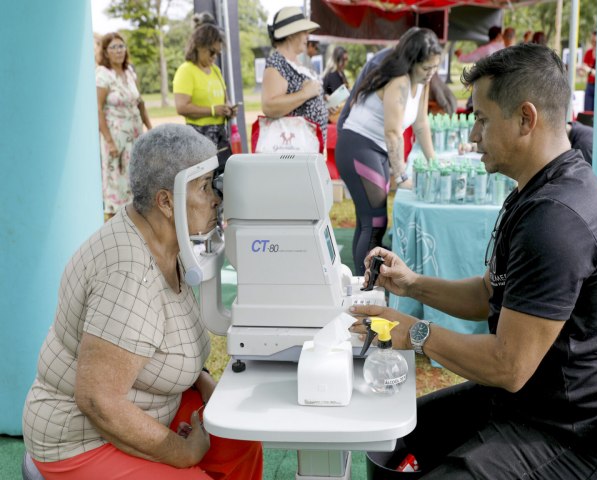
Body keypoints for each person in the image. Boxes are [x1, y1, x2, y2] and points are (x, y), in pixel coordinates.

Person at [351, 43, 597, 479]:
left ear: (526, 118)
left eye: (481, 120)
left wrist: (416, 332)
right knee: (390, 446)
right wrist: (412, 285)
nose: (472, 136)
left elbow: (509, 365)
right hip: (526, 404)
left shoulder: (558, 218)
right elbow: (490, 293)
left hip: (574, 434)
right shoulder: (538, 189)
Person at [22, 124, 263, 480]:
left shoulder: (166, 240)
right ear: (166, 202)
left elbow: (161, 343)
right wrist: (180, 452)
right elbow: (98, 401)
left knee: (239, 440)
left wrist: (207, 385)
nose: (215, 198)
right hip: (79, 440)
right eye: (203, 186)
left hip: (151, 407)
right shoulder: (128, 275)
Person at [335, 28, 441, 276]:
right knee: (374, 222)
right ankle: (365, 287)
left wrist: (434, 163)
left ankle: (362, 284)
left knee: (369, 221)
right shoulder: (400, 81)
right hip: (358, 146)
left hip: (375, 150)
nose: (431, 74)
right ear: (412, 62)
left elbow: (421, 125)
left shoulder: (421, 82)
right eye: (427, 68)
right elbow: (393, 133)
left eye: (435, 68)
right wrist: (402, 177)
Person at [96, 32, 152, 221]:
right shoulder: (103, 75)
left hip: (135, 137)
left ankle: (133, 226)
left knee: (134, 182)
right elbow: (98, 109)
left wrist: (150, 129)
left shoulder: (129, 73)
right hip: (116, 140)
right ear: (105, 51)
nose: (118, 51)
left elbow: (140, 103)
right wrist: (110, 142)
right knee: (116, 185)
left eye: (121, 46)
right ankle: (112, 227)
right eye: (113, 47)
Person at [173, 23, 236, 173]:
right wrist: (213, 111)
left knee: (225, 178)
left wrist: (228, 109)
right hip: (198, 137)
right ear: (199, 46)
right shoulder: (186, 70)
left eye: (218, 53)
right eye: (212, 52)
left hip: (221, 137)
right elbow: (181, 107)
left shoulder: (215, 70)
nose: (214, 57)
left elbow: (224, 100)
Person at [262, 7, 328, 142]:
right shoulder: (277, 63)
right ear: (291, 33)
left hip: (309, 148)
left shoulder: (297, 63)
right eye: (304, 32)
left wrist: (323, 102)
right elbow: (269, 106)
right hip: (295, 152)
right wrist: (304, 94)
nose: (307, 36)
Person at [579, 30, 597, 112]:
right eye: (592, 41)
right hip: (589, 86)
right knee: (587, 111)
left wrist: (589, 70)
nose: (593, 43)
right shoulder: (588, 53)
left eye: (595, 41)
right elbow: (583, 71)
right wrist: (581, 71)